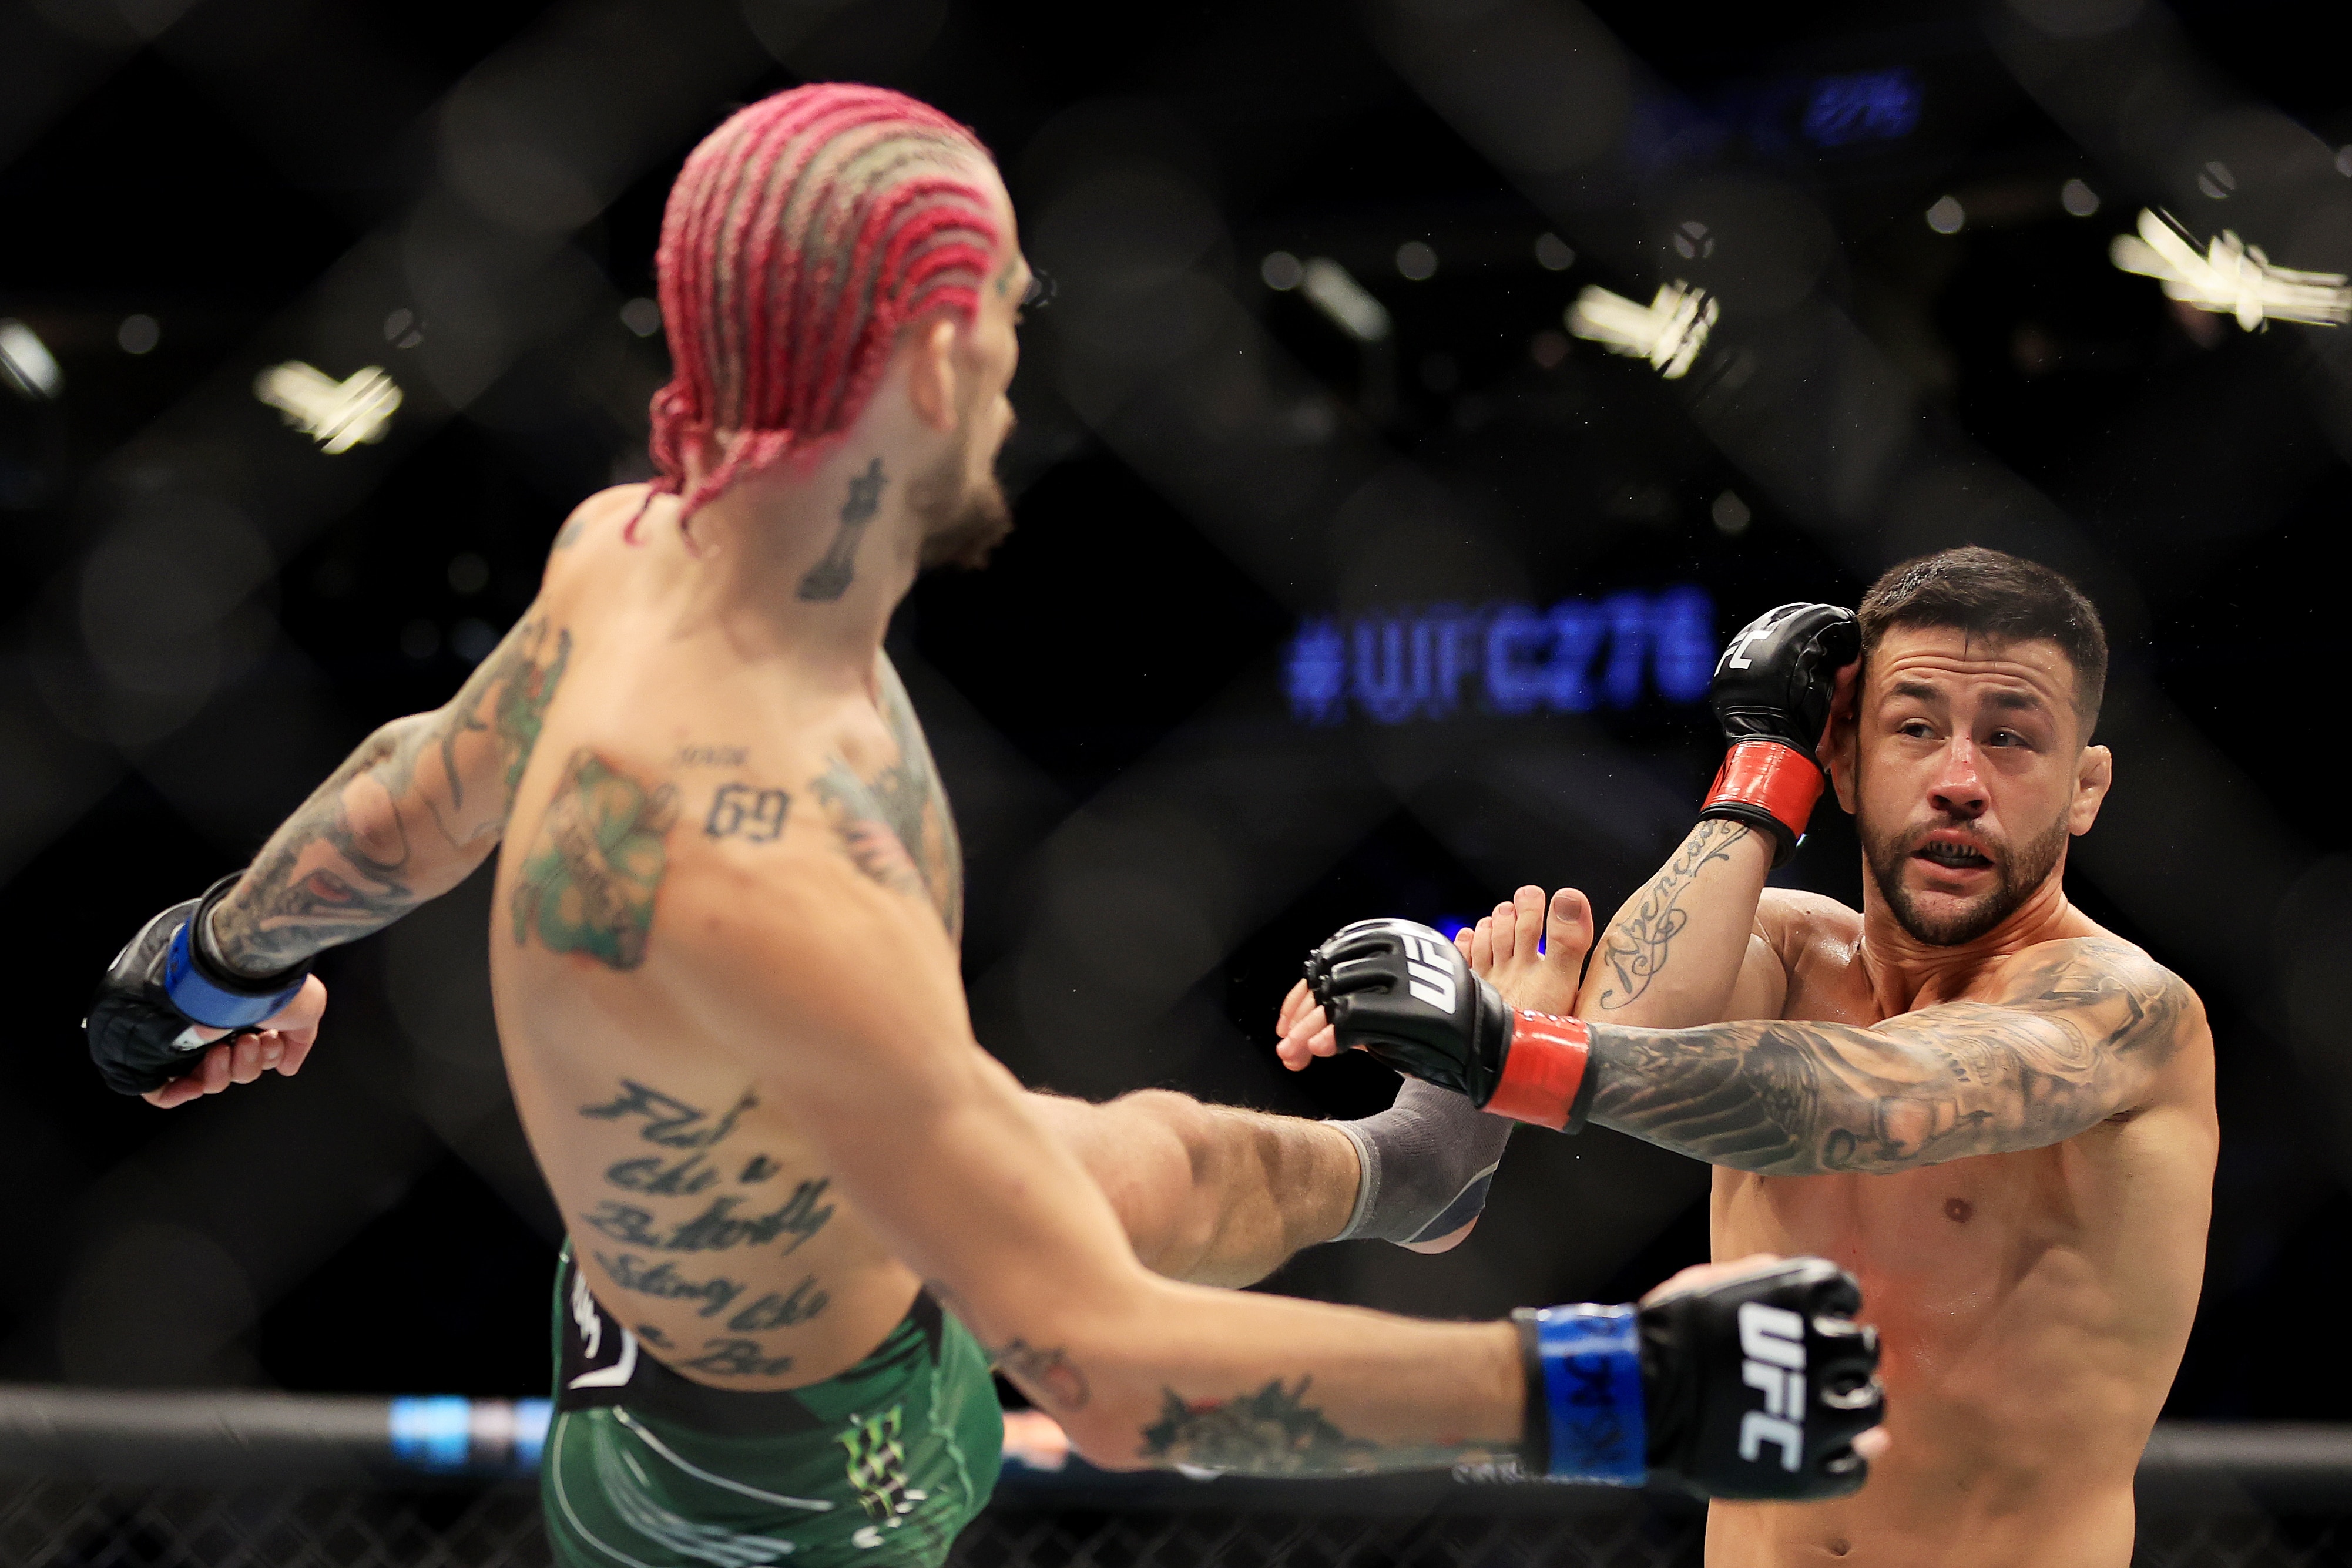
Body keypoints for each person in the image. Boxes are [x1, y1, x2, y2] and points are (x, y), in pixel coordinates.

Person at [79, 84, 1882, 1568]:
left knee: (1155, 1150)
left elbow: (428, 779)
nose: (1023, 367)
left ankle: (1410, 1173)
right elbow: (1106, 1373)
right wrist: (1620, 1385)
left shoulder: (634, 548)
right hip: (786, 1496)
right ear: (934, 364)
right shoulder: (769, 857)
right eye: (1007, 314)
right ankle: (1428, 1199)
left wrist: (214, 961)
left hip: (720, 1235)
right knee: (1088, 1221)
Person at [1280, 549, 2216, 1567]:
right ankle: (1445, 1156)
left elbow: (1882, 1106)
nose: (1959, 782)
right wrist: (1765, 768)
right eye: (1914, 728)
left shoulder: (2127, 1009)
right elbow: (1631, 1034)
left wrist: (1508, 1052)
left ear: (2085, 788)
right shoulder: (1784, 945)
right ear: (1846, 762)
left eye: (2010, 739)